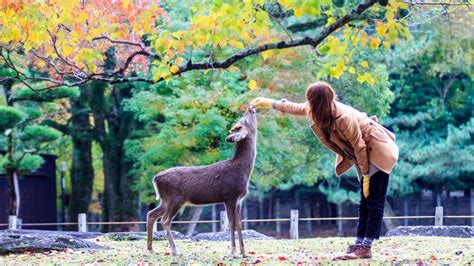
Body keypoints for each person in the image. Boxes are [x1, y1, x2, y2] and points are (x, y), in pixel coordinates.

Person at [250, 81, 399, 260]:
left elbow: (359, 146)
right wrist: (269, 102)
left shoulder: (343, 118)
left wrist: (366, 174)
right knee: (364, 202)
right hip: (363, 154)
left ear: (316, 101)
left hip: (377, 151)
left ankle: (365, 248)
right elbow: (295, 107)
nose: (307, 103)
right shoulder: (315, 109)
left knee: (373, 201)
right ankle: (359, 245)